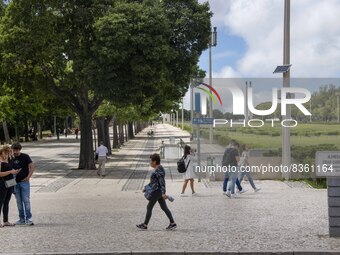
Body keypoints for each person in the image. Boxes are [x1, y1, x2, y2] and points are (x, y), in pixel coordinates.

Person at [136, 154, 176, 230]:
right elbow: (154, 182)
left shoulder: (159, 169)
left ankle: (145, 225)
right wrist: (146, 188)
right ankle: (172, 223)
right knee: (164, 207)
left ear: (155, 161)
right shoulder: (157, 169)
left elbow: (162, 182)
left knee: (149, 207)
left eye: (151, 161)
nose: (150, 163)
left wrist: (163, 192)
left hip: (157, 191)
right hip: (158, 191)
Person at [10, 142, 35, 225]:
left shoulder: (25, 156)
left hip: (24, 182)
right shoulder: (10, 158)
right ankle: (21, 219)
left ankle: (29, 218)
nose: (15, 152)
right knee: (19, 202)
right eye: (14, 150)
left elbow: (32, 166)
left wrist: (28, 177)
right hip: (14, 183)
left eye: (17, 150)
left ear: (20, 150)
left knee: (26, 200)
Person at [0, 145, 20, 227]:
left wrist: (15, 171)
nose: (7, 155)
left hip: (10, 182)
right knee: (0, 202)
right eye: (5, 153)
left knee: (7, 202)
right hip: (2, 183)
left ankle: (6, 221)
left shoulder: (9, 159)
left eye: (8, 153)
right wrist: (10, 172)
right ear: (1, 152)